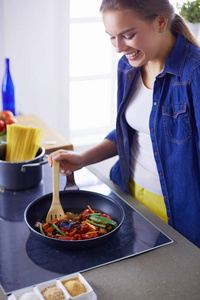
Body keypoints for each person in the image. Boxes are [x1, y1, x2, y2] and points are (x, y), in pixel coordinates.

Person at [48, 0, 200, 248]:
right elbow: (130, 131)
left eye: (128, 35)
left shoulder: (194, 73)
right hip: (128, 197)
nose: (119, 48)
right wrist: (84, 158)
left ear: (161, 22)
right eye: (111, 37)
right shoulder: (128, 67)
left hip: (180, 215)